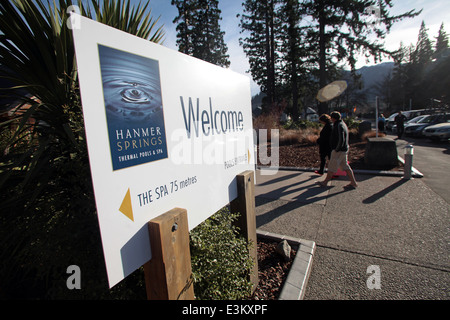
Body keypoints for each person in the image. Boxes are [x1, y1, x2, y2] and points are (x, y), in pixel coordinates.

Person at [319, 111, 358, 189]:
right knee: (345, 166)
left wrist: (336, 149)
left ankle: (325, 182)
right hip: (344, 150)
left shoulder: (338, 126)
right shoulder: (342, 124)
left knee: (332, 166)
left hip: (339, 150)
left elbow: (341, 139)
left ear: (333, 118)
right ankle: (353, 182)